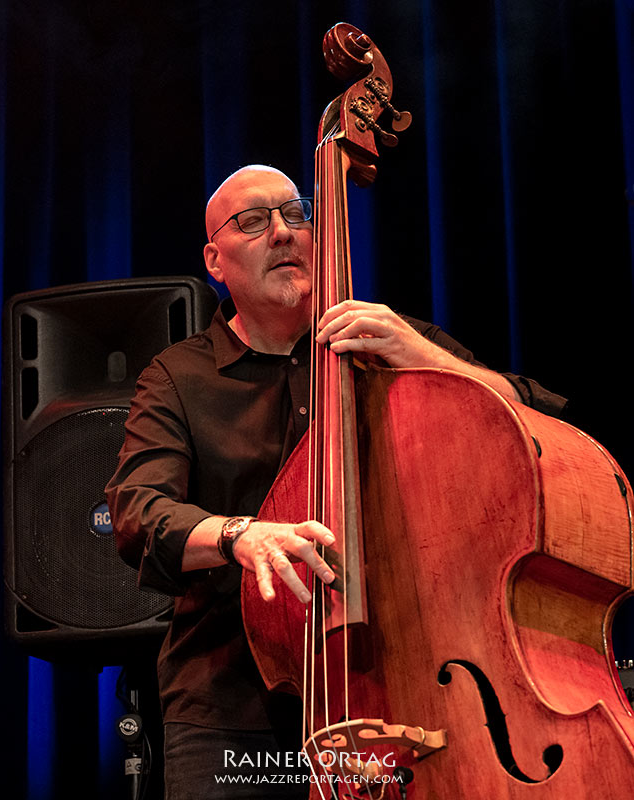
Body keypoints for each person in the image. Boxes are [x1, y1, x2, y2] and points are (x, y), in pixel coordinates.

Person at [105, 164, 566, 799]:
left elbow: (544, 426)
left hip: (408, 692)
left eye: (296, 215)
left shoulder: (385, 341)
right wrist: (240, 535)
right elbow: (137, 511)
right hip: (234, 712)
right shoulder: (177, 377)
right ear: (215, 260)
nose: (284, 232)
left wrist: (428, 359)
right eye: (253, 222)